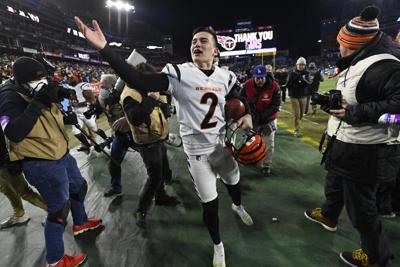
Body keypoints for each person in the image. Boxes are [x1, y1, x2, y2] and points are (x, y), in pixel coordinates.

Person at [76, 17, 254, 267]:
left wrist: (246, 113)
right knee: (210, 205)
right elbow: (139, 80)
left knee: (234, 183)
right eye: (193, 41)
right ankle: (218, 245)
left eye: (203, 40)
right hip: (197, 154)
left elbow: (240, 97)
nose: (196, 44)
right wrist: (104, 48)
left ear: (215, 50)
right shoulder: (180, 74)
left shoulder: (226, 76)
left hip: (218, 147)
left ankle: (237, 206)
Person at [303, 6, 400, 267]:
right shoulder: (365, 60)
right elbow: (362, 95)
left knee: (362, 208)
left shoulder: (385, 65)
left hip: (367, 148)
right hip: (347, 143)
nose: (339, 48)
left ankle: (375, 258)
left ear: (354, 43)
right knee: (335, 182)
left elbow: (397, 108)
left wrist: (354, 113)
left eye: (342, 43)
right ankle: (328, 215)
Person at [0, 56, 103, 267]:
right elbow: (14, 131)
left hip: (60, 153)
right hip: (40, 161)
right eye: (37, 79)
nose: (42, 82)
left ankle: (81, 223)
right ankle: (55, 260)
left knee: (78, 187)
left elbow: (46, 117)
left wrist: (66, 114)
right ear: (20, 79)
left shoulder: (35, 87)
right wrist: (37, 103)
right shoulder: (8, 96)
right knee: (58, 209)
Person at [0, 126, 47, 229]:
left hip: (4, 162)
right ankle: (19, 214)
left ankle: (54, 212)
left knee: (24, 191)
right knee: (6, 189)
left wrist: (9, 158)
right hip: (3, 161)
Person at [242, 65, 281, 177]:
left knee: (269, 143)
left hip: (268, 119)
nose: (259, 80)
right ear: (253, 77)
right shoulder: (247, 84)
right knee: (250, 141)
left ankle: (266, 166)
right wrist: (251, 114)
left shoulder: (274, 86)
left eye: (262, 78)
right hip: (252, 118)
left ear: (266, 76)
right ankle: (253, 160)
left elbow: (275, 105)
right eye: (257, 78)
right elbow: (242, 99)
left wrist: (261, 116)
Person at [286, 57, 312, 137]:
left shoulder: (307, 73)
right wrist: (293, 79)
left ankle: (297, 124)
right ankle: (297, 129)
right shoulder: (292, 73)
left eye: (303, 65)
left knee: (301, 114)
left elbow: (308, 83)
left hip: (303, 96)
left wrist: (301, 79)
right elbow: (287, 84)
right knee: (297, 114)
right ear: (296, 65)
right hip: (294, 96)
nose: (301, 66)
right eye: (300, 64)